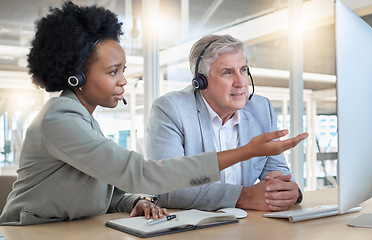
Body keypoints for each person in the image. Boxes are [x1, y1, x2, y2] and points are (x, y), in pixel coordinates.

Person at [0, 2, 307, 226]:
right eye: (112, 71)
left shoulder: (83, 118)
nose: (123, 80)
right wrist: (245, 152)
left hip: (72, 230)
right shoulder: (60, 119)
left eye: (123, 70)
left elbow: (107, 190)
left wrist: (136, 200)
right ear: (75, 76)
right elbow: (144, 173)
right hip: (30, 233)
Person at [146, 34, 304, 212]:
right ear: (201, 81)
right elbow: (166, 188)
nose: (241, 83)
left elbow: (276, 170)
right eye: (228, 72)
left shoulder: (261, 108)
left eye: (243, 70)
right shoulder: (171, 109)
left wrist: (287, 191)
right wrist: (244, 196)